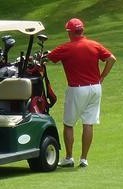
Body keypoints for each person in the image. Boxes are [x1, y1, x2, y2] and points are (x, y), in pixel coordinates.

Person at [46, 17, 116, 168]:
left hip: (77, 89)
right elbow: (111, 59)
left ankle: (69, 157)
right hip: (95, 88)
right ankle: (84, 159)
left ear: (69, 32)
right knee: (88, 122)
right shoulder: (94, 45)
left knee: (69, 123)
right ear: (82, 30)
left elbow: (49, 58)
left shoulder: (66, 47)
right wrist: (102, 76)